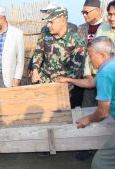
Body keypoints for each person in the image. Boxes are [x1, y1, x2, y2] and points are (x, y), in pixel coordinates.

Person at [75, 36, 115, 169]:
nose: (89, 59)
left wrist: (88, 119)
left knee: (100, 163)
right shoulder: (112, 64)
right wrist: (68, 80)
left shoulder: (105, 73)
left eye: (91, 55)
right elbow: (92, 82)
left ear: (103, 55)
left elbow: (103, 112)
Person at [58, 0, 103, 109]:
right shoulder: (81, 29)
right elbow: (77, 48)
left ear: (99, 11)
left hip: (103, 76)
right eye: (82, 12)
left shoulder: (107, 28)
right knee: (87, 108)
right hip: (84, 77)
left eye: (87, 12)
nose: (84, 15)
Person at [31, 7, 85, 93]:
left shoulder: (76, 41)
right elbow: (39, 51)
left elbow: (75, 70)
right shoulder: (45, 32)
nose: (48, 25)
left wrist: (65, 87)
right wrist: (35, 69)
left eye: (51, 22)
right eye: (47, 22)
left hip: (64, 86)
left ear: (62, 21)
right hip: (43, 82)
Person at [27, 2, 78, 77]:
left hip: (64, 76)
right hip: (46, 71)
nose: (48, 15)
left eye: (49, 12)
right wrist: (32, 66)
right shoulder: (45, 30)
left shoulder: (72, 28)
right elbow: (39, 49)